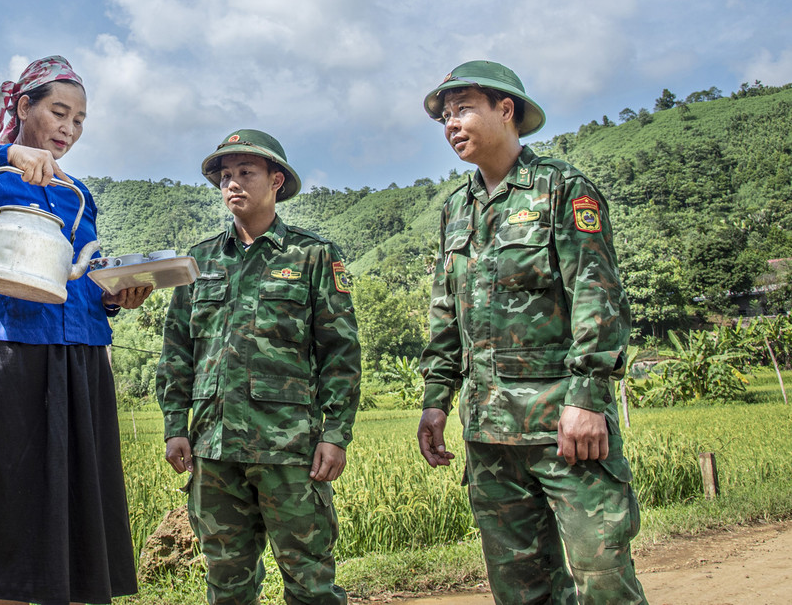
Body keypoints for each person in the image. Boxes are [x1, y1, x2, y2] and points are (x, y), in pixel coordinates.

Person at [0, 55, 150, 605]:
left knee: (77, 513)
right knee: (10, 512)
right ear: (23, 107)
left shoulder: (77, 193)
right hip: (3, 353)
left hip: (79, 357)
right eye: (59, 112)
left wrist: (114, 296)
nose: (69, 128)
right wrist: (7, 152)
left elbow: (77, 274)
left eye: (80, 120)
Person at [416, 61, 647, 604]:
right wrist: (435, 401)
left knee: (602, 576)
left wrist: (588, 397)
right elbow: (445, 314)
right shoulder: (456, 209)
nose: (451, 124)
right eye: (445, 116)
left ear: (506, 110)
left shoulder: (562, 189)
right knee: (519, 587)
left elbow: (596, 293)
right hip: (490, 433)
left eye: (463, 109)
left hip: (564, 426)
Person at [157, 130, 360, 605]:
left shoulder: (312, 256)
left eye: (246, 172)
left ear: (277, 180)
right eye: (225, 175)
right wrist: (174, 425)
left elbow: (341, 353)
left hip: (289, 448)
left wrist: (335, 434)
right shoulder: (199, 261)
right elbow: (178, 350)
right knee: (227, 584)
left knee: (310, 582)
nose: (233, 183)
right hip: (215, 448)